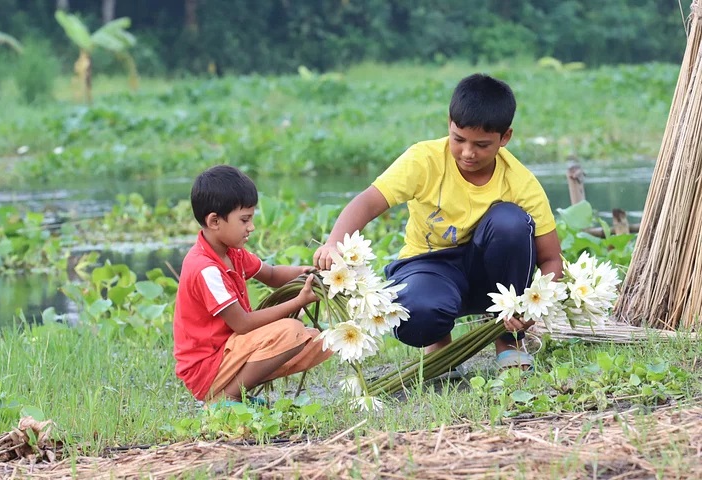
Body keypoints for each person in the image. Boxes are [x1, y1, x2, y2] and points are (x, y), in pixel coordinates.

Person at [313, 73, 563, 369]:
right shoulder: (424, 159)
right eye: (459, 140)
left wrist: (531, 305)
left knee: (510, 222)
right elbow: (368, 201)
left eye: (482, 145)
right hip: (430, 266)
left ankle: (507, 340)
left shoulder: (521, 181)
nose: (468, 153)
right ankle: (439, 340)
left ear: (505, 138)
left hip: (490, 275)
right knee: (417, 316)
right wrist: (332, 244)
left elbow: (551, 259)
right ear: (449, 124)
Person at [174, 165, 332, 406]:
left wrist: (307, 272)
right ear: (214, 221)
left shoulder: (232, 253)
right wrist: (299, 301)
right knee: (291, 331)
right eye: (245, 219)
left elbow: (271, 274)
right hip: (206, 368)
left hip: (229, 353)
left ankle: (234, 394)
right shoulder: (205, 268)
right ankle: (228, 397)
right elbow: (243, 324)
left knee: (315, 342)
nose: (251, 227)